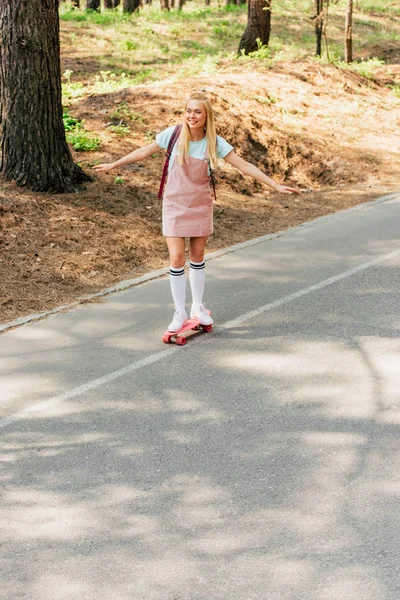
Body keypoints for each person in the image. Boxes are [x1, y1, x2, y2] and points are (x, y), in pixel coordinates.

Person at [94, 92, 300, 332]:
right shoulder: (172, 135)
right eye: (189, 111)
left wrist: (274, 184)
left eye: (197, 112)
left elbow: (244, 165)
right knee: (177, 258)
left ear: (206, 116)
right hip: (174, 204)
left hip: (200, 204)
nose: (192, 116)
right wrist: (114, 164)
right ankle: (179, 312)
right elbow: (143, 151)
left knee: (198, 257)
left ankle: (198, 308)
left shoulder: (214, 142)